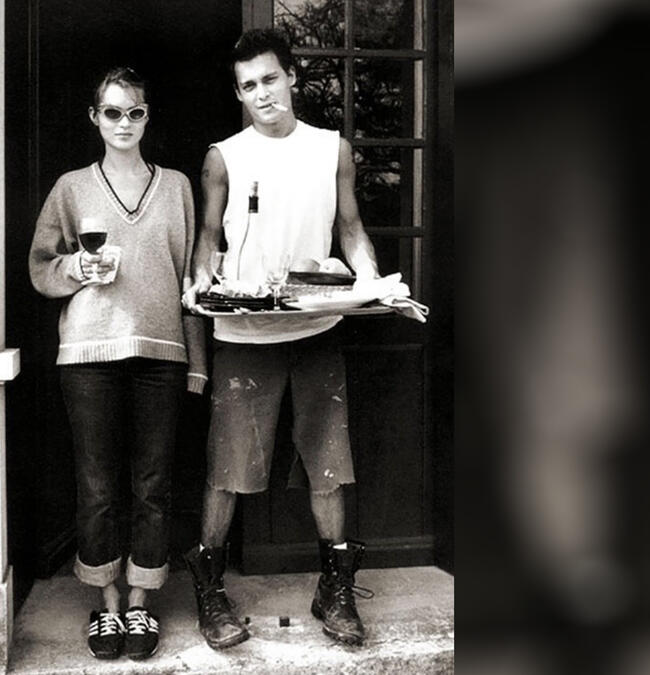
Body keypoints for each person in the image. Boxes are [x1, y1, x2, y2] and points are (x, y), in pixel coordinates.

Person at [182, 28, 382, 648]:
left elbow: (350, 227)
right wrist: (200, 283)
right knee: (228, 466)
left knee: (329, 464)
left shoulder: (331, 149)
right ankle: (210, 591)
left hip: (316, 327)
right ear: (239, 94)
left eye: (270, 78)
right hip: (245, 333)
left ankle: (335, 590)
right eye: (248, 85)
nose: (262, 93)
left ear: (292, 76)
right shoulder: (224, 156)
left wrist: (373, 280)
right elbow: (208, 239)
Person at [29, 66, 207, 661]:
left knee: (153, 485)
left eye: (134, 112)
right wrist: (76, 269)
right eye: (112, 112)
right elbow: (39, 267)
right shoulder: (71, 188)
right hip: (88, 353)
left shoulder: (177, 187)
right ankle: (106, 605)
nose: (123, 122)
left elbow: (191, 281)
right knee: (98, 487)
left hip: (161, 353)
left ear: (148, 117)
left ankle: (140, 602)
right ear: (95, 118)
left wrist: (197, 361)